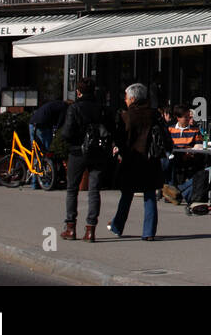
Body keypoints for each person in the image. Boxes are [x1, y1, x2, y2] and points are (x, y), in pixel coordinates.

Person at [109, 83, 166, 240]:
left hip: (132, 160)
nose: (125, 100)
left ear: (133, 99)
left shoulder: (126, 116)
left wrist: (118, 149)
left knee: (126, 195)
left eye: (127, 98)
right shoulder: (154, 115)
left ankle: (117, 226)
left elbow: (121, 139)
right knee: (150, 196)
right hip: (151, 160)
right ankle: (148, 232)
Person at [59, 78, 109, 241]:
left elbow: (66, 133)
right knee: (94, 190)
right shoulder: (101, 108)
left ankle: (70, 227)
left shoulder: (74, 108)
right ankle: (90, 230)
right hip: (98, 152)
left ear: (78, 92)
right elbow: (109, 129)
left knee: (72, 189)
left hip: (77, 152)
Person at [28, 96, 69, 189]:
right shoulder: (64, 108)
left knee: (36, 153)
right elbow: (60, 123)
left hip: (33, 123)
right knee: (47, 153)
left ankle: (34, 183)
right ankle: (47, 181)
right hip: (43, 126)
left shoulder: (57, 104)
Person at [164, 104, 203, 190]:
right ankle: (171, 188)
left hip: (189, 156)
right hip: (174, 157)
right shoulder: (170, 129)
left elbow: (199, 143)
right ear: (178, 118)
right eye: (186, 117)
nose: (188, 119)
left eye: (189, 116)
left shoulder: (195, 129)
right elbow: (167, 144)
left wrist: (193, 150)